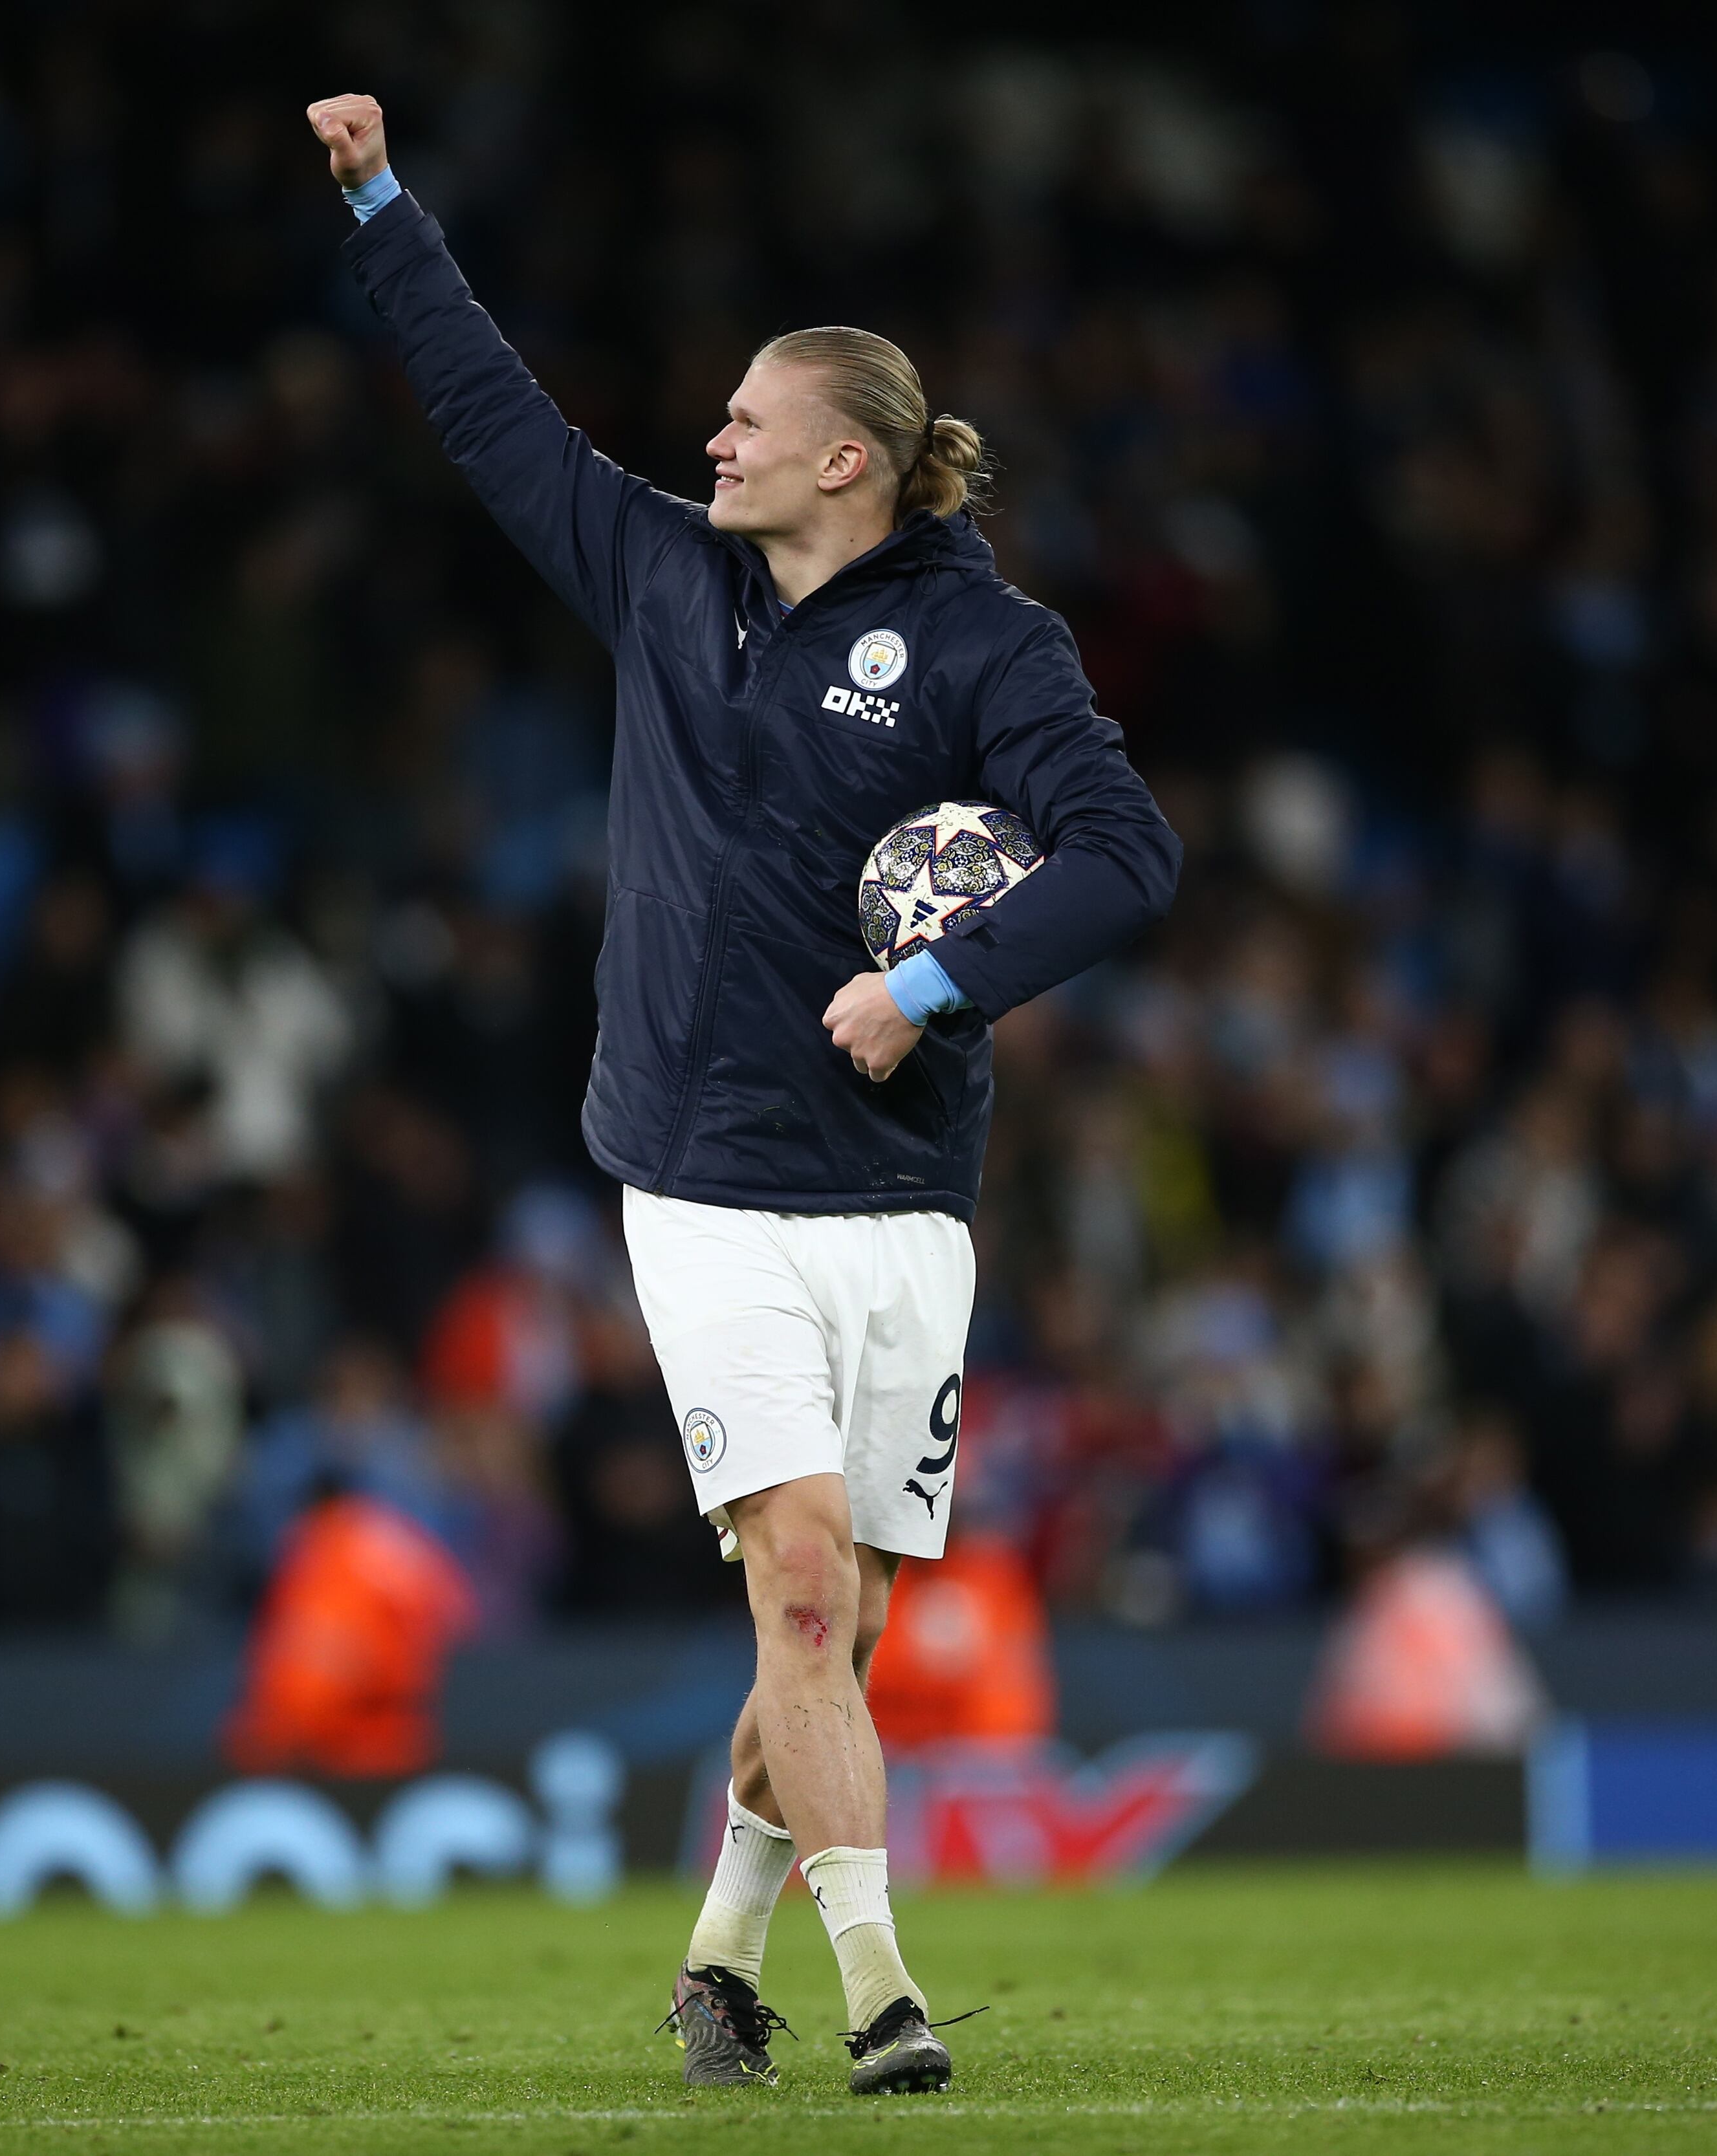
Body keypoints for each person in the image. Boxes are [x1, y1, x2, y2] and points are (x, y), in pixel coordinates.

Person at [303, 94, 1178, 2095]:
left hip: (903, 1194)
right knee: (797, 1571)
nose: (710, 442)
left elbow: (1129, 857)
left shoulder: (983, 646)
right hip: (699, 1174)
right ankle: (881, 1991)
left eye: (747, 425)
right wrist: (378, 203)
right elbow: (489, 410)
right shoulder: (661, 576)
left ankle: (716, 1952)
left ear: (845, 461)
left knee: (832, 1637)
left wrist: (938, 978)